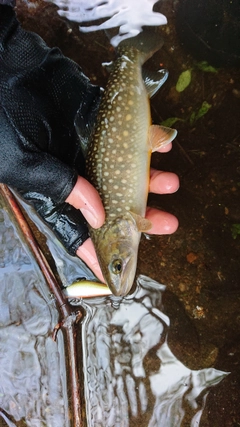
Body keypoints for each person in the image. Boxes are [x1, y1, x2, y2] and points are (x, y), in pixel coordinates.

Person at [0, 1, 179, 281]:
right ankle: (134, 49)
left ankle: (130, 54)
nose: (122, 271)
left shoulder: (129, 225)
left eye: (117, 265)